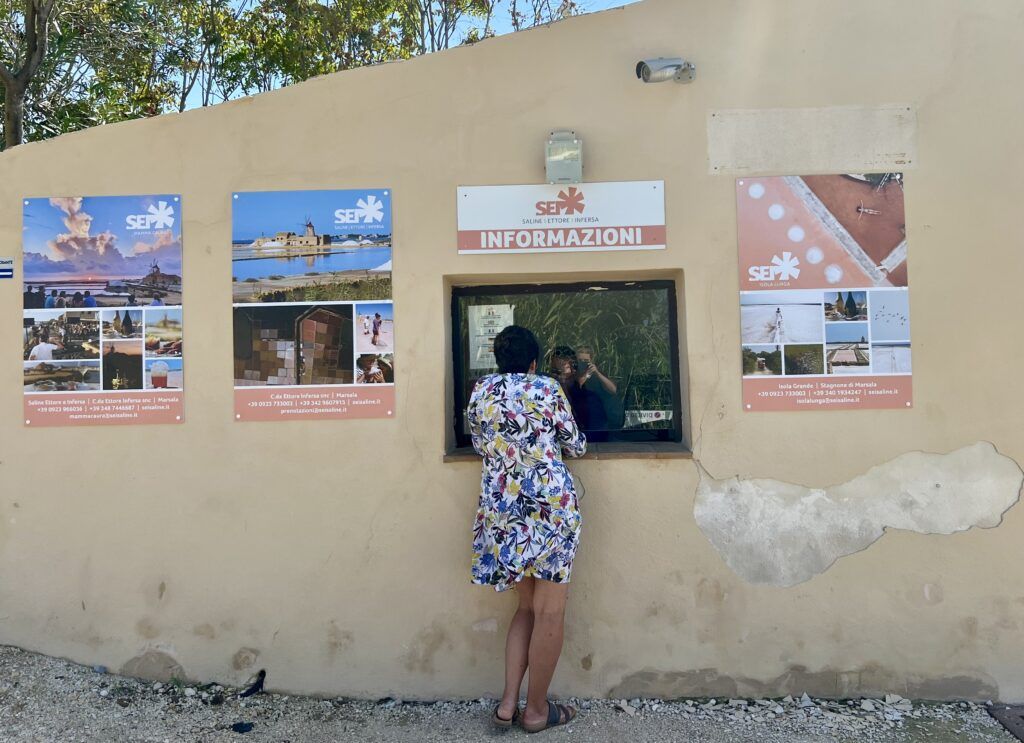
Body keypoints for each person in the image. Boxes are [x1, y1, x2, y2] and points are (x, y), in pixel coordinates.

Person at [467, 325, 586, 734]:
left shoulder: (481, 392)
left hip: (505, 514)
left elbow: (482, 445)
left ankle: (506, 704)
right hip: (550, 512)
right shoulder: (548, 389)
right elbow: (575, 445)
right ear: (534, 362)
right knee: (550, 610)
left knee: (525, 607)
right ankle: (536, 711)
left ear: (498, 359)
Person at [549, 345, 608, 434]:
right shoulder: (553, 383)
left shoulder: (594, 382)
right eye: (580, 361)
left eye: (586, 361)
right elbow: (572, 388)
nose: (582, 364)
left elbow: (613, 390)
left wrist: (596, 373)